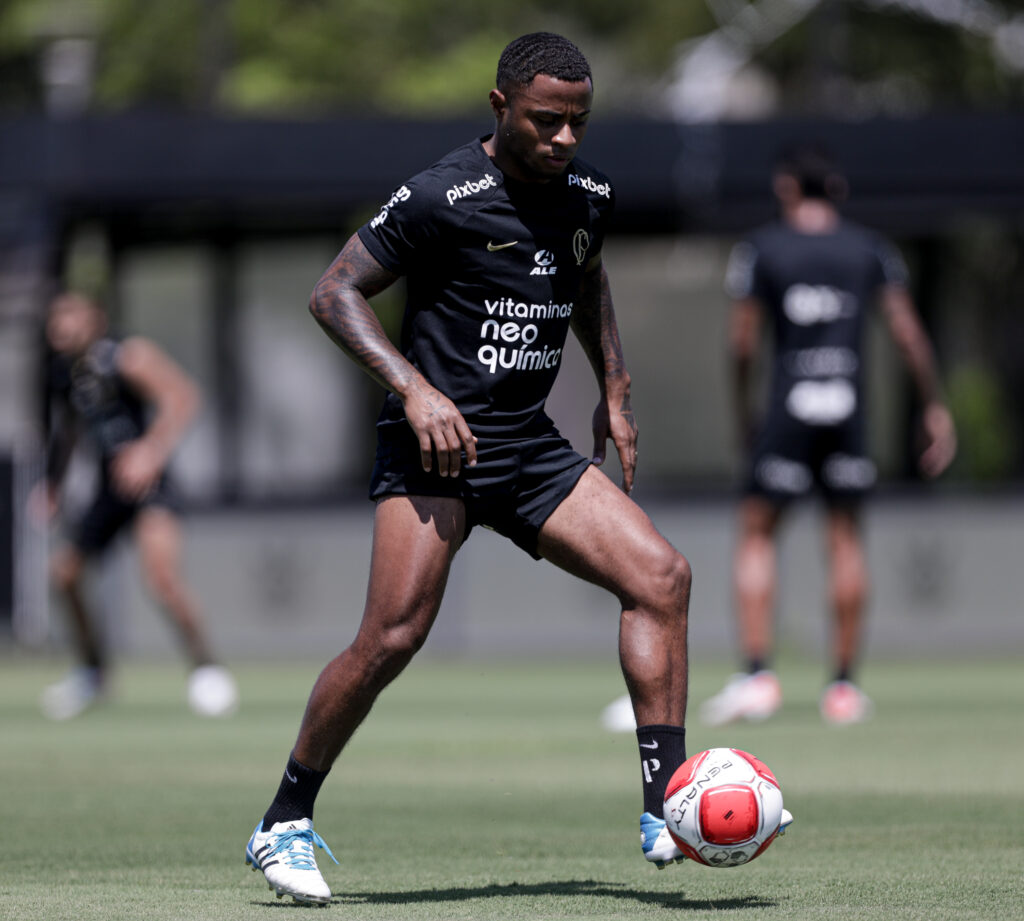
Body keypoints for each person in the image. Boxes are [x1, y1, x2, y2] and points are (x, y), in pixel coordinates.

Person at [244, 32, 739, 905]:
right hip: (434, 446)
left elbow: (585, 278)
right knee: (392, 637)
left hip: (528, 445)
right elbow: (333, 293)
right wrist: (413, 387)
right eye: (547, 120)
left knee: (662, 576)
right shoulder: (443, 195)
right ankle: (284, 819)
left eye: (579, 122)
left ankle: (667, 802)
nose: (564, 139)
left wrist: (614, 387)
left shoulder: (587, 196)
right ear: (500, 106)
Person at [699, 145, 957, 727]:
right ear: (835, 189)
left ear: (786, 188)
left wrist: (744, 408)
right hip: (847, 408)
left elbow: (742, 342)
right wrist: (934, 405)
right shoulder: (870, 248)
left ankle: (759, 675)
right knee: (845, 539)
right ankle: (842, 688)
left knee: (758, 534)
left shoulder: (762, 248)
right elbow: (907, 332)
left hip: (788, 409)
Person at [36, 291, 238, 720]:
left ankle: (207, 668)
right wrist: (52, 485)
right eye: (55, 317)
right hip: (110, 491)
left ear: (94, 318)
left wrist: (151, 450)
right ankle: (93, 672)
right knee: (64, 574)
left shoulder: (126, 355)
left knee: (161, 580)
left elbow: (183, 396)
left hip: (150, 485)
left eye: (69, 315)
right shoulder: (64, 373)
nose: (59, 326)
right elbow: (67, 433)